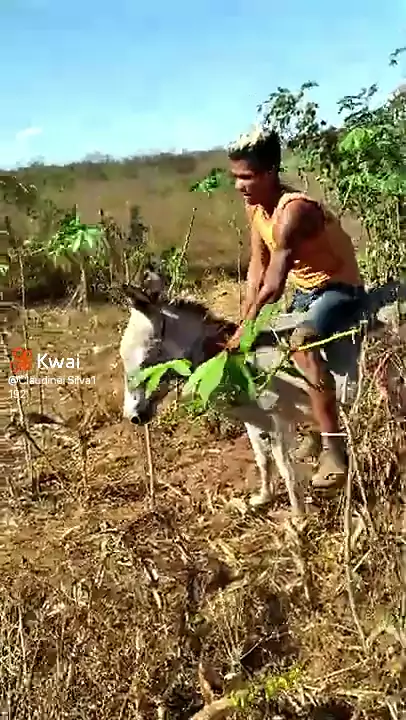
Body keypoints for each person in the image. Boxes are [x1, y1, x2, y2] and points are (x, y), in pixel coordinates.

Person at [225, 127, 367, 490]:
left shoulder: (294, 210)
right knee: (274, 350)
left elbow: (274, 284)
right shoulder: (255, 207)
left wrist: (246, 325)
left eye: (247, 177)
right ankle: (315, 427)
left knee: (302, 342)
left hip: (337, 287)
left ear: (271, 171)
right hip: (305, 292)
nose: (239, 185)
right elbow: (257, 265)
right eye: (235, 177)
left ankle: (335, 451)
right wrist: (246, 315)